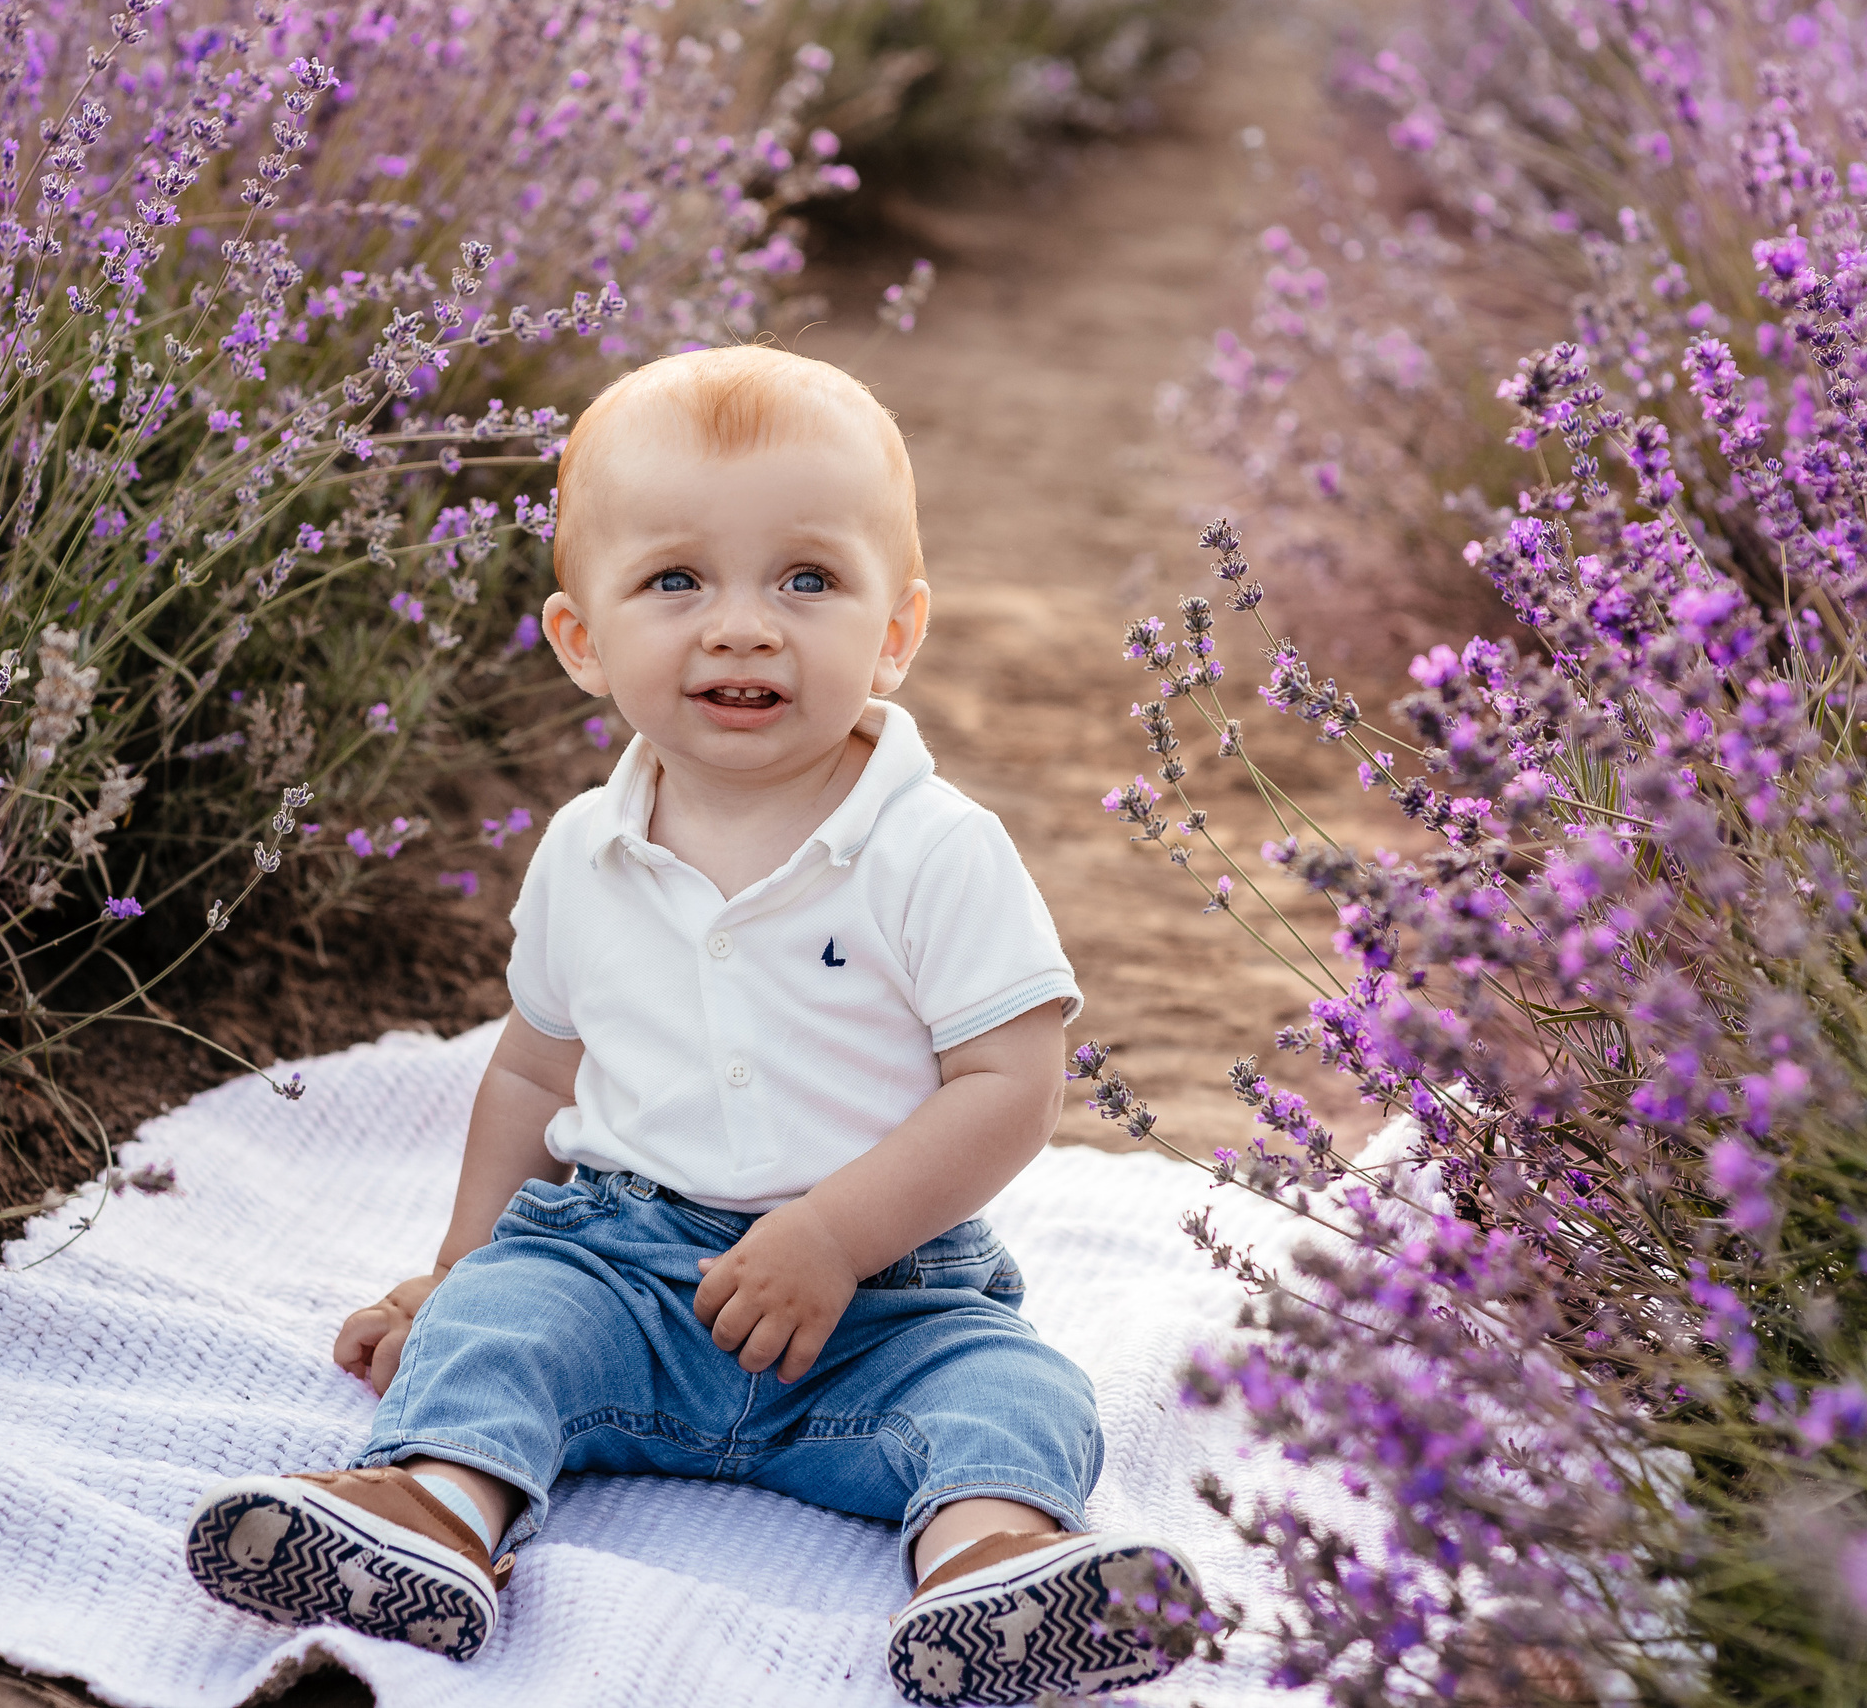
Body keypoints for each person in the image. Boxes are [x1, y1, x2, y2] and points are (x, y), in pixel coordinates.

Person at [183, 344, 1192, 1705]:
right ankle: (432, 1514)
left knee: (1018, 1397)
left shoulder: (932, 847)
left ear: (897, 629)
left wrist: (833, 1234)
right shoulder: (584, 851)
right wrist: (454, 1269)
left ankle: (990, 1566)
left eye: (809, 580)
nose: (742, 626)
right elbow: (535, 1069)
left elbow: (1011, 1079)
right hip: (624, 1267)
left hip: (885, 1301)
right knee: (499, 1329)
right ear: (582, 640)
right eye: (676, 580)